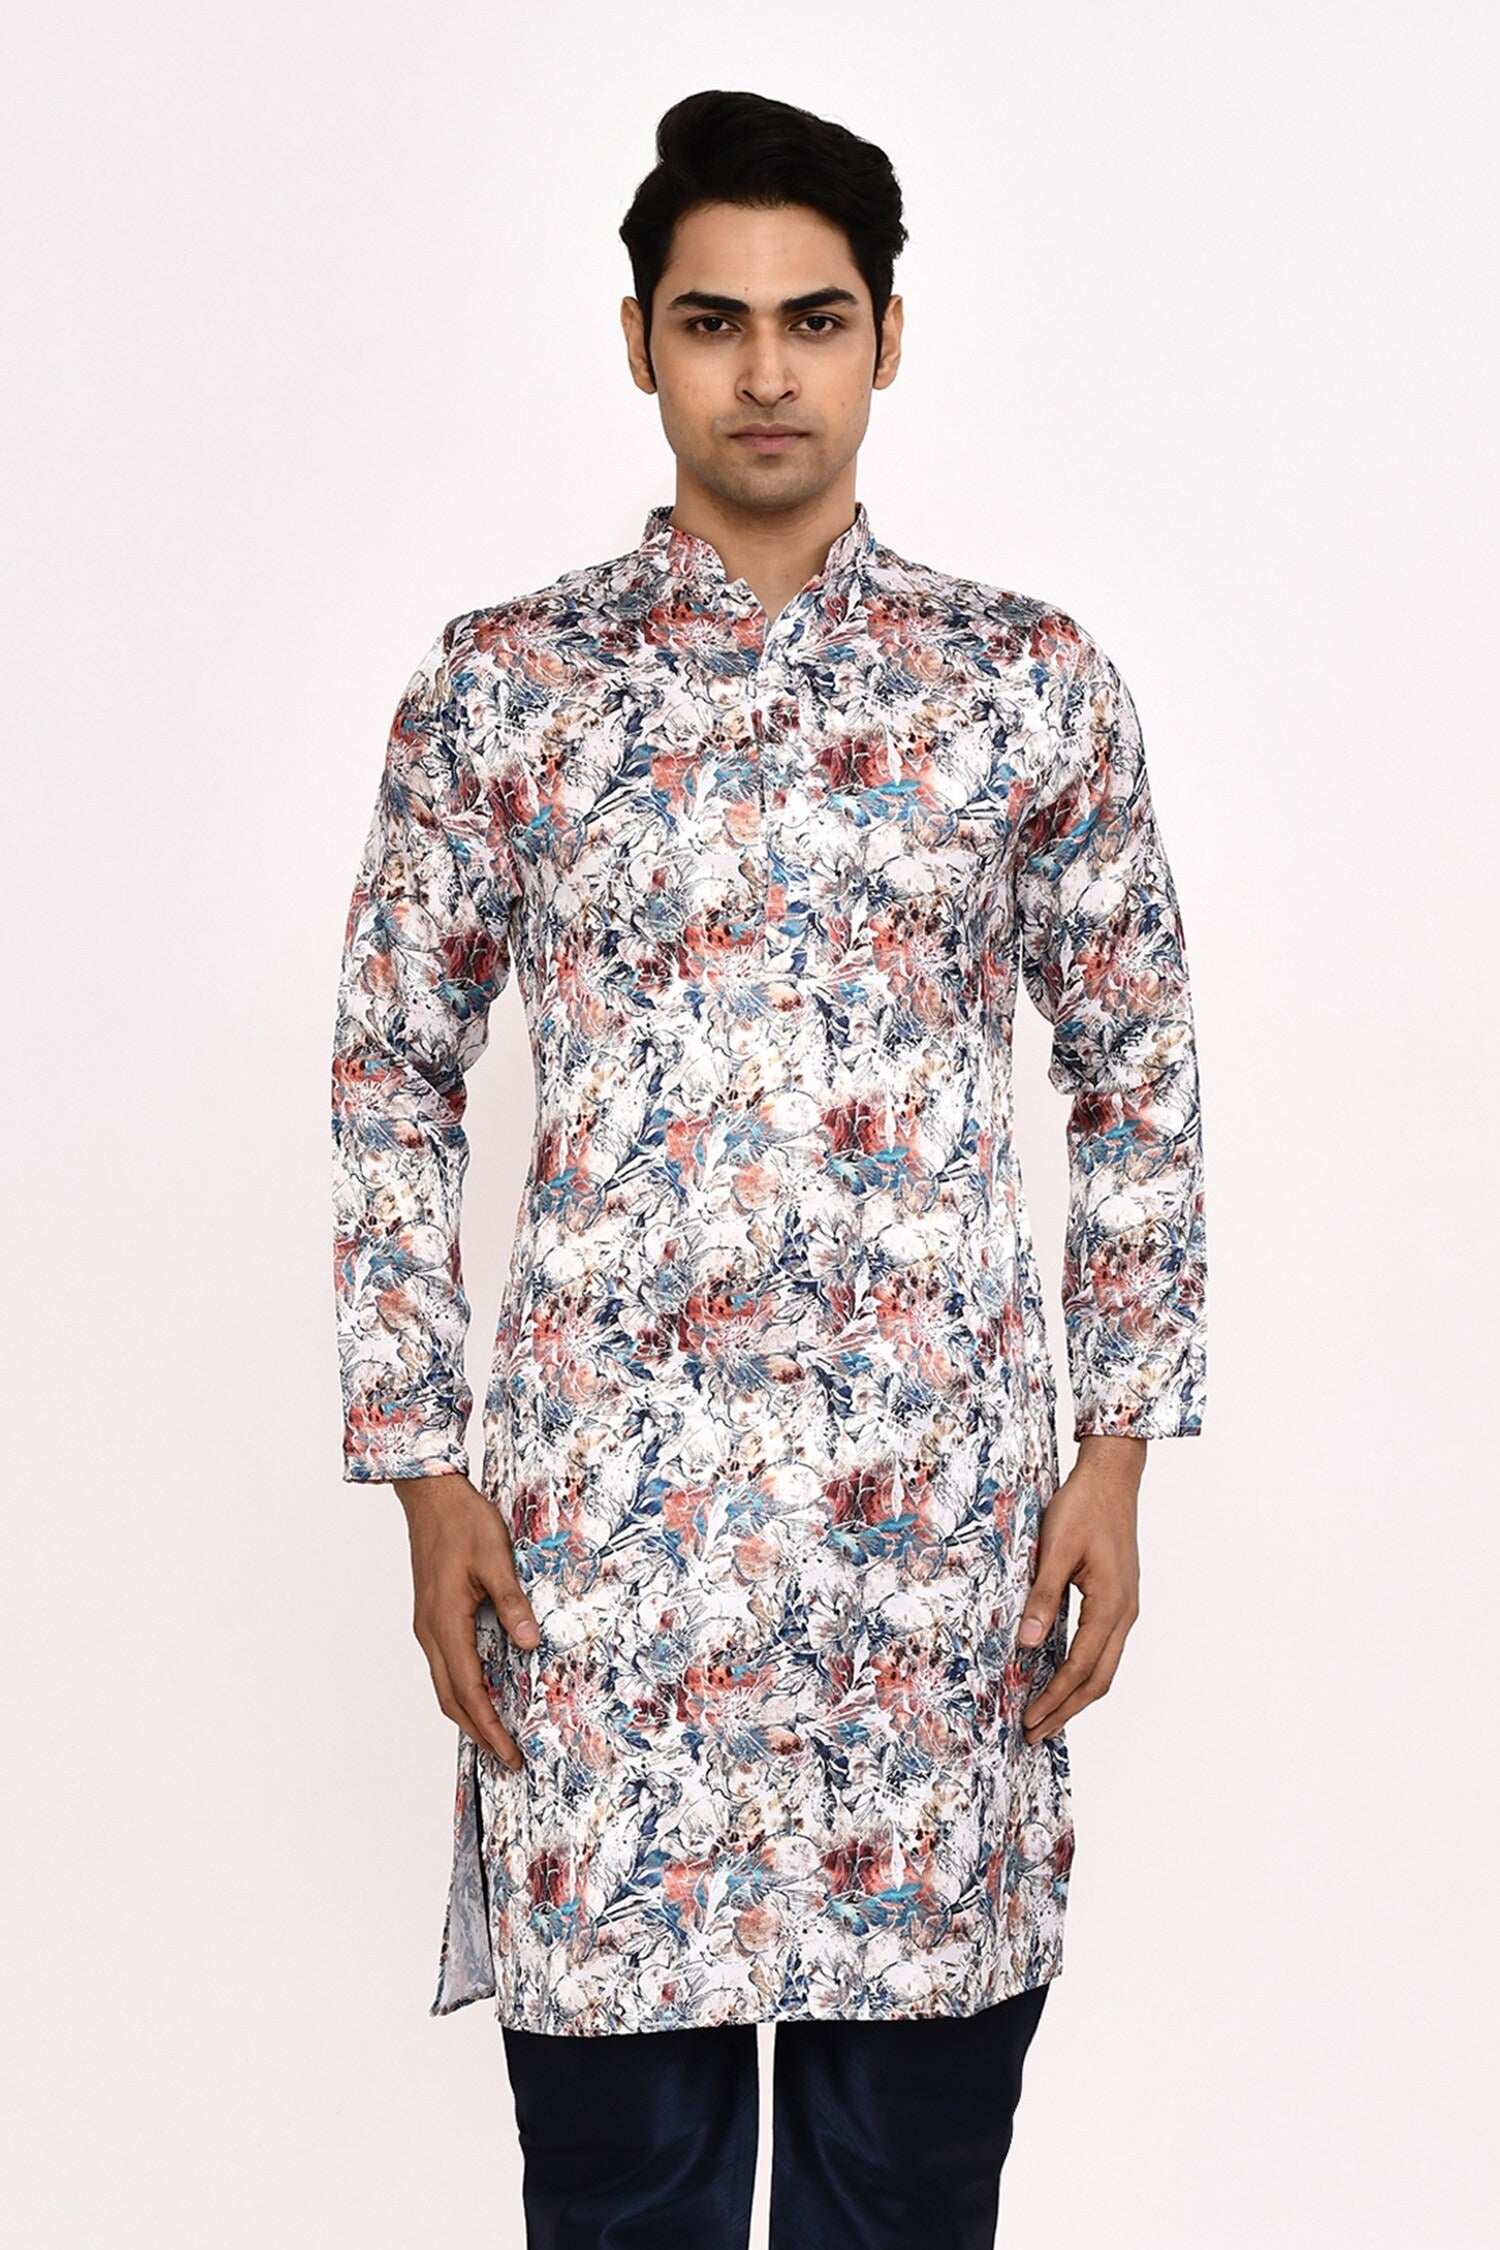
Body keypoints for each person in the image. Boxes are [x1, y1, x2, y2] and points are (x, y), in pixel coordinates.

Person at [330, 86, 1207, 2250]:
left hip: (932, 1562)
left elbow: (1138, 1069)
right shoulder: (506, 693)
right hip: (601, 1569)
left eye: (814, 319)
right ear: (639, 340)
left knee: (902, 2194)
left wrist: (1115, 1453)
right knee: (617, 2193)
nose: (766, 372)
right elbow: (391, 1073)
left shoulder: (1026, 687)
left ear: (888, 337)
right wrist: (425, 1472)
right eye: (713, 321)